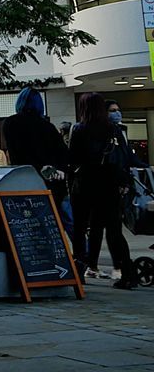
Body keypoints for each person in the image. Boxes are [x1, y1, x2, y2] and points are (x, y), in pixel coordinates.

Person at [69, 92, 139, 289]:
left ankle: (80, 272)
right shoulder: (113, 130)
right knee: (115, 231)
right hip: (110, 186)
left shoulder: (80, 129)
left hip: (85, 186)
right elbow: (122, 158)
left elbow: (73, 159)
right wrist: (123, 182)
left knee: (81, 229)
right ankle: (128, 273)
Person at [84, 99, 147, 280]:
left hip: (112, 186)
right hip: (107, 187)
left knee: (101, 228)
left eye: (118, 110)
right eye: (112, 110)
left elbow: (126, 156)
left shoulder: (119, 131)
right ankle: (119, 268)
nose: (116, 113)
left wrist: (144, 167)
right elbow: (113, 160)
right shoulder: (101, 132)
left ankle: (97, 266)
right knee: (110, 228)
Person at [2, 87, 72, 233]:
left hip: (24, 180)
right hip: (51, 180)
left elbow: (17, 153)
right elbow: (63, 154)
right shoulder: (47, 126)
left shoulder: (10, 124)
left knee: (32, 223)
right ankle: (82, 251)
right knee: (66, 218)